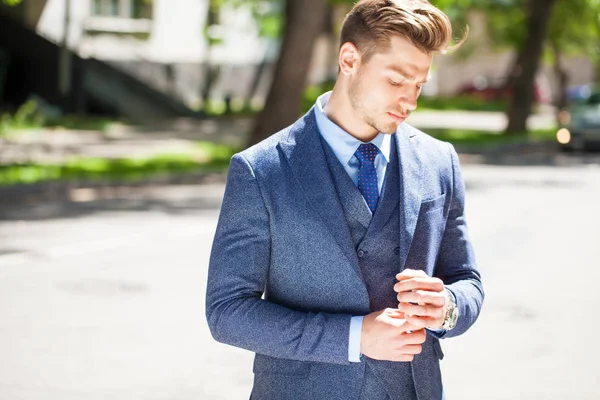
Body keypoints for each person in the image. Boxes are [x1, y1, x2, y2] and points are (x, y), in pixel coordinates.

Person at [206, 0, 484, 398]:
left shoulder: (439, 161)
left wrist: (447, 307)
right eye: (396, 80)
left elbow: (467, 281)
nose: (410, 101)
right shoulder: (261, 170)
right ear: (349, 59)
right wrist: (353, 337)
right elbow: (227, 312)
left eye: (418, 85)